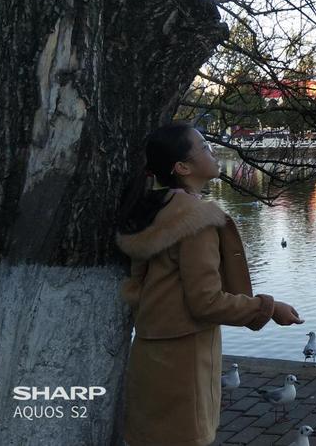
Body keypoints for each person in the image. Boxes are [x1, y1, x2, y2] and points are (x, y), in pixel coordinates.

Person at [114, 122, 304, 446]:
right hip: (183, 361)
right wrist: (269, 309)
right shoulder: (194, 220)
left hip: (150, 350)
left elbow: (137, 285)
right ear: (182, 167)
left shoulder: (153, 209)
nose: (212, 151)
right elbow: (205, 301)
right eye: (203, 147)